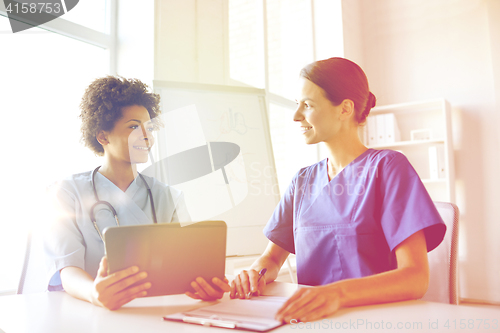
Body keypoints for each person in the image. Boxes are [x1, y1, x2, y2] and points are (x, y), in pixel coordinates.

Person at [230, 57, 446, 323]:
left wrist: (337, 294)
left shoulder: (388, 168)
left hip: (379, 322)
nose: (296, 116)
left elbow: (415, 278)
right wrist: (253, 273)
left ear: (344, 109)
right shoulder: (302, 180)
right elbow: (271, 259)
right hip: (312, 322)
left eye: (307, 105)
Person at [44, 76, 230, 310]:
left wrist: (202, 286)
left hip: (153, 313)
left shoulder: (168, 197)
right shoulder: (66, 192)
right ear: (103, 136)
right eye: (133, 126)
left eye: (149, 128)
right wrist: (94, 294)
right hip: (87, 313)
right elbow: (67, 270)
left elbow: (185, 266)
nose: (147, 136)